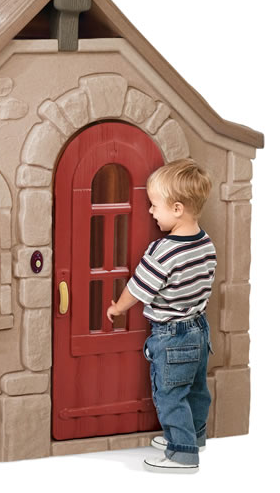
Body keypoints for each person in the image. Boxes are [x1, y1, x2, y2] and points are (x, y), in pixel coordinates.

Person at [107, 158, 216, 474]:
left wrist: (117, 308)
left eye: (155, 205)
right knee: (196, 390)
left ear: (177, 209)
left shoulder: (163, 250)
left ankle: (182, 454)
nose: (151, 211)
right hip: (199, 328)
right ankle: (193, 438)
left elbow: (138, 289)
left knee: (170, 395)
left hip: (172, 335)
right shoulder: (205, 243)